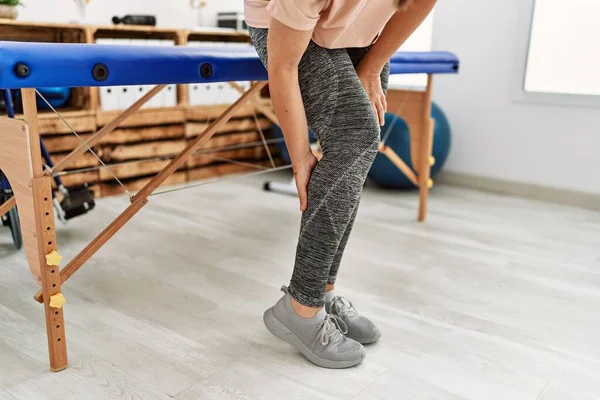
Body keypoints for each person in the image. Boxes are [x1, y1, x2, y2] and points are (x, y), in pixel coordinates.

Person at [244, 0, 437, 368]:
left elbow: (419, 3)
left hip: (360, 24)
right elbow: (283, 68)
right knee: (356, 135)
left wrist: (373, 65)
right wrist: (300, 156)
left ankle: (322, 292)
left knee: (359, 145)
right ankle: (301, 308)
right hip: (283, 23)